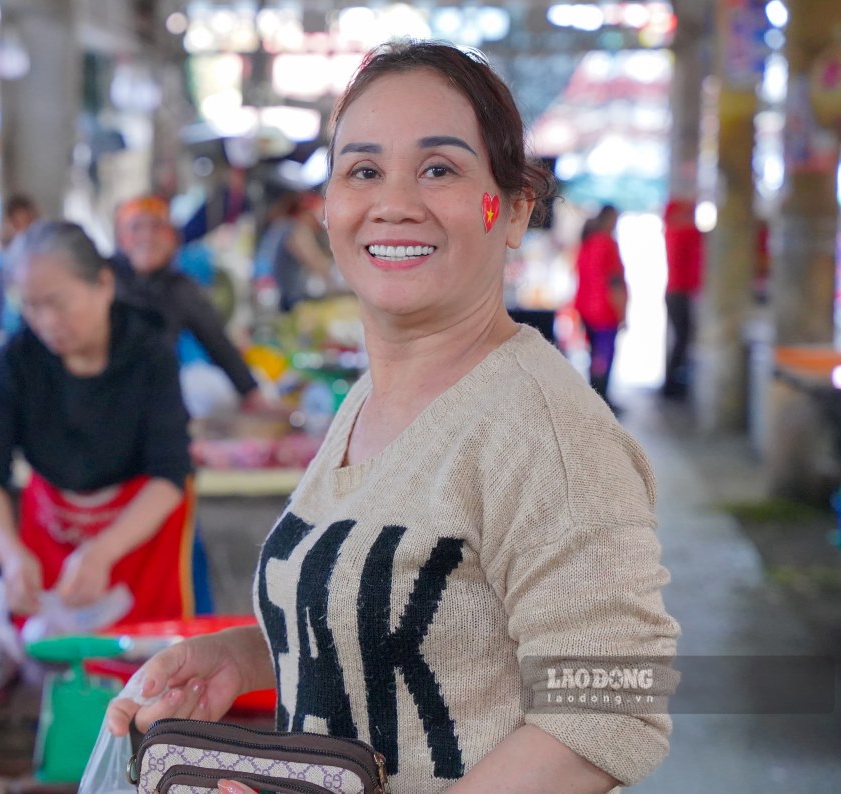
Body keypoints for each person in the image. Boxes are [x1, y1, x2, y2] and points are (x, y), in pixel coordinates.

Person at [106, 41, 678, 794]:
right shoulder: (368, 402)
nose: (394, 201)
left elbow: (612, 708)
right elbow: (422, 635)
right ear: (330, 206)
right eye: (364, 170)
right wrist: (247, 658)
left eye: (439, 169)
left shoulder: (543, 432)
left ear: (511, 211)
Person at [0, 220, 197, 624]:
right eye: (31, 306)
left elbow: (170, 474)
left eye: (57, 303)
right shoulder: (14, 363)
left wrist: (102, 552)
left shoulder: (149, 354)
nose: (46, 321)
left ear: (103, 285)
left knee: (149, 672)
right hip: (48, 537)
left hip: (139, 538)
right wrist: (11, 556)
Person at [111, 195, 266, 412]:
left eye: (156, 227)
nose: (146, 236)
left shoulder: (180, 288)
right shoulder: (103, 280)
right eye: (135, 227)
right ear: (120, 237)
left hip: (156, 404)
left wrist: (252, 392)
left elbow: (217, 343)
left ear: (171, 238)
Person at [573, 204, 627, 411]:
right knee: (603, 357)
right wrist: (622, 313)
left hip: (586, 308)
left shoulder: (587, 242)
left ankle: (595, 400)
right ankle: (601, 403)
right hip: (604, 311)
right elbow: (614, 282)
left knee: (595, 356)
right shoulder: (607, 244)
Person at [254, 188, 334, 312]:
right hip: (280, 300)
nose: (316, 227)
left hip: (264, 294)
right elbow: (315, 261)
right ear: (305, 213)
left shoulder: (280, 225)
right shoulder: (295, 230)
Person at [661, 199, 703, 399]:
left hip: (678, 292)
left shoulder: (673, 231)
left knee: (682, 339)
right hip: (678, 293)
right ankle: (672, 386)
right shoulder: (678, 232)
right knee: (682, 339)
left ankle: (674, 383)